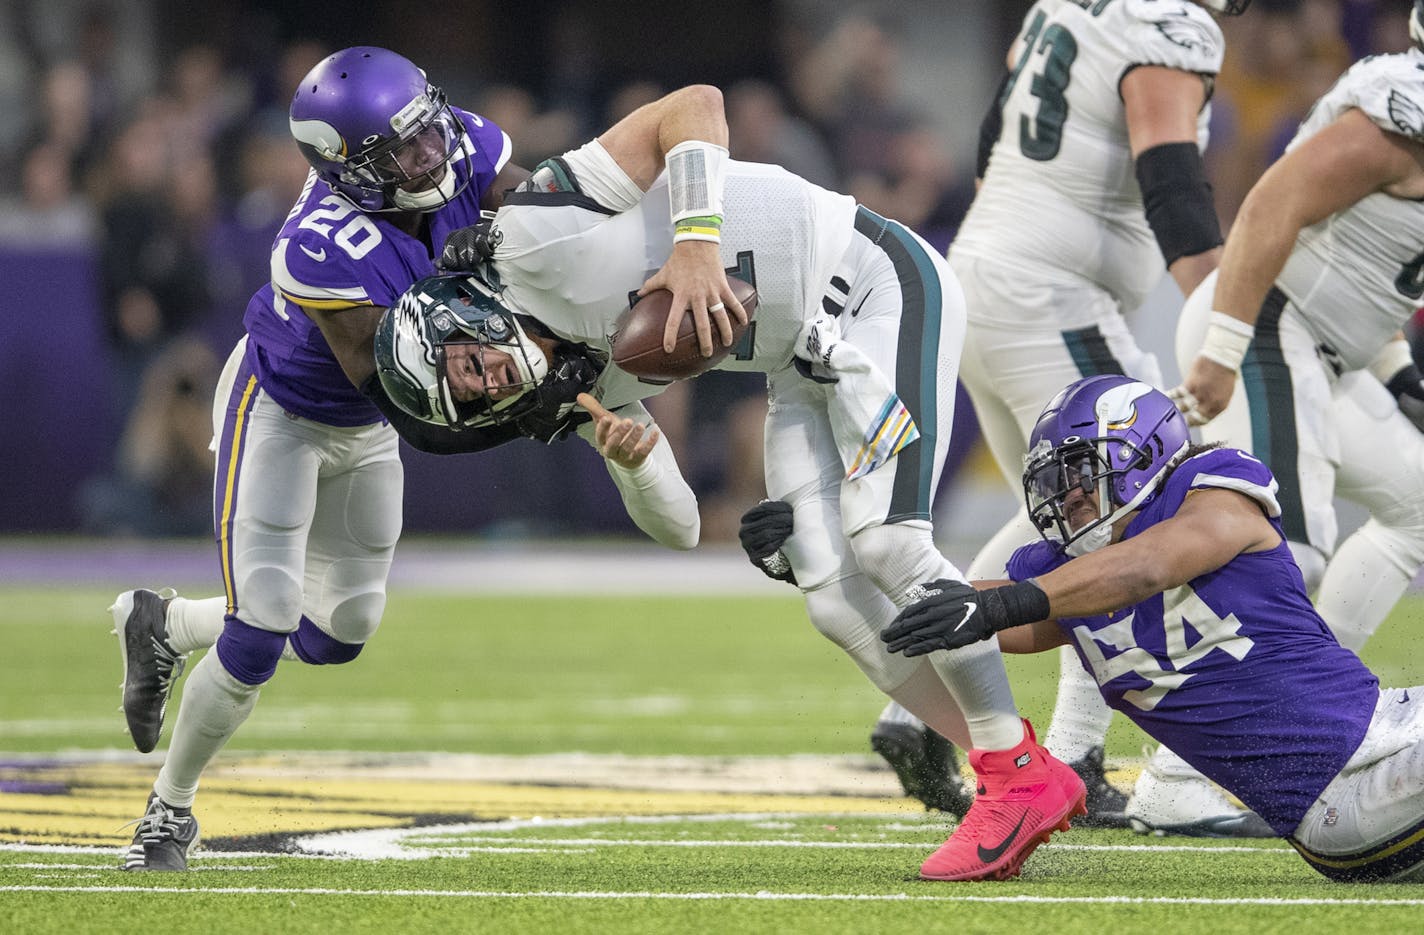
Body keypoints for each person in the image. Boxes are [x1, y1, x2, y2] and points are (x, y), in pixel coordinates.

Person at [377, 85, 1088, 882]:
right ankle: (1017, 765)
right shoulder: (570, 385)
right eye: (474, 398)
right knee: (829, 593)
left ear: (462, 314)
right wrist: (636, 457)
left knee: (888, 542)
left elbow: (696, 105)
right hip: (799, 367)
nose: (492, 382)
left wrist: (694, 242)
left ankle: (1015, 771)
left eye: (470, 364)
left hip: (877, 281)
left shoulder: (532, 237)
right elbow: (680, 529)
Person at [110, 46, 544, 872]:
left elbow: (530, 202)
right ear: (349, 169)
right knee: (261, 628)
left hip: (366, 431)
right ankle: (168, 811)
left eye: (426, 130)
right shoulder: (319, 246)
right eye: (404, 149)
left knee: (344, 629)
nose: (429, 154)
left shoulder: (454, 144)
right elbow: (403, 400)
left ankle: (163, 624)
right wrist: (532, 401)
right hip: (285, 412)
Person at [867, 0, 1263, 835]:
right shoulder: (1171, 29)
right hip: (1052, 293)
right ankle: (1069, 748)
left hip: (993, 272)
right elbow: (1171, 179)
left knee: (1063, 524)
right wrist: (1227, 328)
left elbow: (992, 132)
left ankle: (927, 712)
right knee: (1133, 502)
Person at [879, 374, 1424, 883]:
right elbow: (948, 614)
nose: (1065, 494)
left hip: (1382, 746)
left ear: (1139, 454)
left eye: (1078, 471)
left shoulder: (1210, 490)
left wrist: (1004, 604)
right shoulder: (1060, 577)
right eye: (1053, 480)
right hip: (1353, 790)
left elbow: (1149, 567)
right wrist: (826, 559)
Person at [1172, 3, 1424, 669]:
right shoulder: (1401, 115)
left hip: (1317, 348)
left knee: (1416, 505)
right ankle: (1182, 772)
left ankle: (1312, 695)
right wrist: (1223, 352)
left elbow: (1364, 266)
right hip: (1264, 325)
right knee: (1287, 552)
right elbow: (1268, 206)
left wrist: (1400, 371)